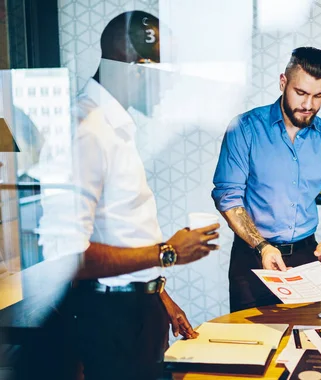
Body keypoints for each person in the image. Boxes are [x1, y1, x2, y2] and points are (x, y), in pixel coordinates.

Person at [34, 11, 220, 380]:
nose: (169, 87)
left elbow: (119, 229)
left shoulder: (111, 125)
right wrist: (167, 253)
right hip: (110, 319)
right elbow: (66, 257)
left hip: (136, 307)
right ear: (137, 69)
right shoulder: (86, 131)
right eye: (165, 74)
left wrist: (158, 295)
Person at [212, 47, 321, 312]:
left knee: (307, 343)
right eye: (301, 93)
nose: (309, 105)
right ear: (283, 82)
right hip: (253, 255)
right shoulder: (244, 129)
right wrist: (263, 246)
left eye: (318, 95)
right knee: (252, 346)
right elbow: (227, 196)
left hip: (306, 256)